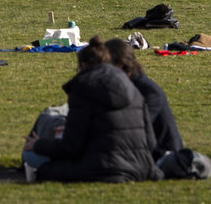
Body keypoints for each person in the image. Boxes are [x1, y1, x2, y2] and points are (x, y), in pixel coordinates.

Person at [22, 36, 160, 184]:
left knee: (31, 156)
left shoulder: (83, 89)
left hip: (101, 169)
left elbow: (71, 147)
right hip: (141, 169)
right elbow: (150, 142)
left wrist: (38, 144)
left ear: (83, 65)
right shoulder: (133, 87)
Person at [105, 38, 182, 159]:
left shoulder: (149, 92)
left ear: (119, 65)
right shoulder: (125, 86)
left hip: (163, 156)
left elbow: (136, 127)